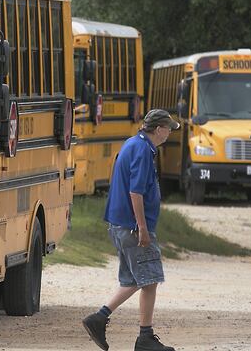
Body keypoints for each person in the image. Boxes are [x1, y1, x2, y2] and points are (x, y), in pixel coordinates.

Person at [82, 109, 180, 351]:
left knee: (135, 279)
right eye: (168, 129)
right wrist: (143, 228)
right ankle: (145, 338)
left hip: (120, 225)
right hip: (132, 227)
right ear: (158, 129)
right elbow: (135, 192)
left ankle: (99, 318)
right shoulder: (143, 151)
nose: (170, 133)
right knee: (150, 280)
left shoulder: (132, 143)